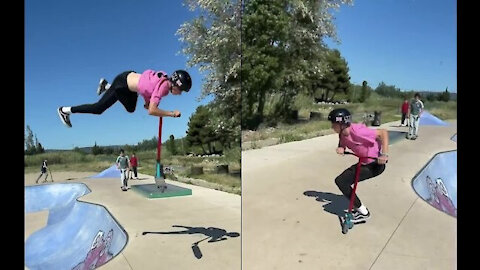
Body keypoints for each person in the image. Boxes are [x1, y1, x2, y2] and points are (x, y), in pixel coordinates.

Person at [57, 69, 192, 127]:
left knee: (132, 106)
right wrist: (172, 114)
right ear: (175, 85)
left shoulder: (163, 77)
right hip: (122, 86)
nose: (180, 94)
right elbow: (152, 111)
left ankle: (108, 86)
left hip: (127, 77)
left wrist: (147, 102)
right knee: (98, 108)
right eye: (181, 91)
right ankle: (65, 110)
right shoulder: (164, 89)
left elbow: (146, 86)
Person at [327, 108, 389, 223]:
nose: (332, 127)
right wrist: (341, 147)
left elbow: (383, 133)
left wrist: (384, 155)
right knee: (341, 181)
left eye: (334, 124)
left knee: (342, 181)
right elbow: (342, 139)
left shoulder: (358, 131)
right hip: (363, 163)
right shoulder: (342, 133)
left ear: (342, 124)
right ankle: (360, 209)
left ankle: (364, 212)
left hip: (375, 164)